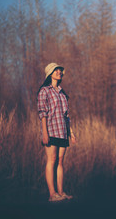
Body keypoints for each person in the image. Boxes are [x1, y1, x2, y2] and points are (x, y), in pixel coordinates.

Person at [37, 63, 76, 202]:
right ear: (50, 73)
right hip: (51, 130)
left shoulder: (62, 92)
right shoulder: (44, 91)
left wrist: (70, 132)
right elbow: (42, 113)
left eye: (60, 70)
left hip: (63, 131)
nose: (59, 72)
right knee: (51, 160)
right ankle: (52, 194)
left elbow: (66, 115)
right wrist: (44, 133)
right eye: (56, 70)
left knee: (60, 161)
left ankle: (60, 192)